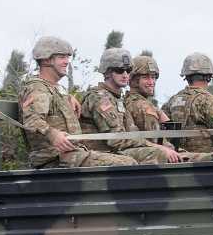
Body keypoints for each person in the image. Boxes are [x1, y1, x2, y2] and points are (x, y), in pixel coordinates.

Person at [19, 36, 135, 168]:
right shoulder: (37, 88)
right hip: (55, 158)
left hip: (71, 154)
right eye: (62, 57)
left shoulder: (54, 89)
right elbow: (31, 120)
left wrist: (68, 97)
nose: (66, 62)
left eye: (67, 57)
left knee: (129, 160)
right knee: (128, 164)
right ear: (46, 60)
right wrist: (53, 134)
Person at [80, 48, 180, 163]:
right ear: (107, 72)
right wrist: (156, 147)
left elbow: (132, 133)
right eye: (119, 70)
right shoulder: (100, 97)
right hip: (102, 154)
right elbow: (117, 139)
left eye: (128, 70)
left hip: (116, 152)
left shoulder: (117, 99)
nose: (125, 75)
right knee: (159, 155)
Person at [161, 53, 213, 153]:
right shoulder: (208, 101)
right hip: (206, 163)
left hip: (179, 160)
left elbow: (163, 132)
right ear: (209, 76)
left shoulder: (172, 100)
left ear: (186, 76)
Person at [125, 54, 170, 143]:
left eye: (153, 77)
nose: (151, 82)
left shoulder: (127, 100)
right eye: (145, 78)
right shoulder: (143, 106)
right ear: (134, 81)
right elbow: (157, 141)